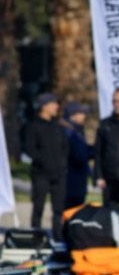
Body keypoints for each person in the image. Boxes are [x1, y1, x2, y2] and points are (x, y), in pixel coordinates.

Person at [23, 93, 68, 240]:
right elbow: (30, 149)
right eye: (53, 104)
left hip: (59, 174)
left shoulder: (57, 126)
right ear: (44, 106)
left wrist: (61, 163)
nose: (57, 107)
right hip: (41, 174)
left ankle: (58, 238)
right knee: (38, 208)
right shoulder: (33, 125)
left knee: (58, 210)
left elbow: (64, 147)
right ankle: (36, 238)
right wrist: (43, 161)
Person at [95, 88, 119, 209]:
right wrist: (98, 175)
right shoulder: (105, 125)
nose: (117, 104)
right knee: (109, 212)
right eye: (115, 101)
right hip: (110, 178)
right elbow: (98, 152)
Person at [61, 101, 94, 209]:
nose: (84, 116)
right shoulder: (67, 131)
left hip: (79, 177)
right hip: (70, 178)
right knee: (70, 209)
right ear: (72, 115)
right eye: (81, 113)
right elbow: (79, 154)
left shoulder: (77, 130)